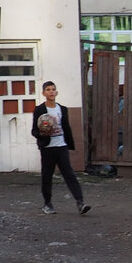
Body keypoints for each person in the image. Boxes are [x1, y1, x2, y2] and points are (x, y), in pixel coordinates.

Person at [32, 80, 90, 215]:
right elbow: (34, 130)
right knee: (47, 176)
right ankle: (47, 204)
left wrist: (70, 143)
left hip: (61, 146)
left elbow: (66, 127)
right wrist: (42, 133)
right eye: (48, 90)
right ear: (43, 93)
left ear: (56, 92)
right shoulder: (39, 110)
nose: (51, 92)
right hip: (47, 148)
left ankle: (80, 202)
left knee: (69, 174)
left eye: (53, 89)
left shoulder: (62, 109)